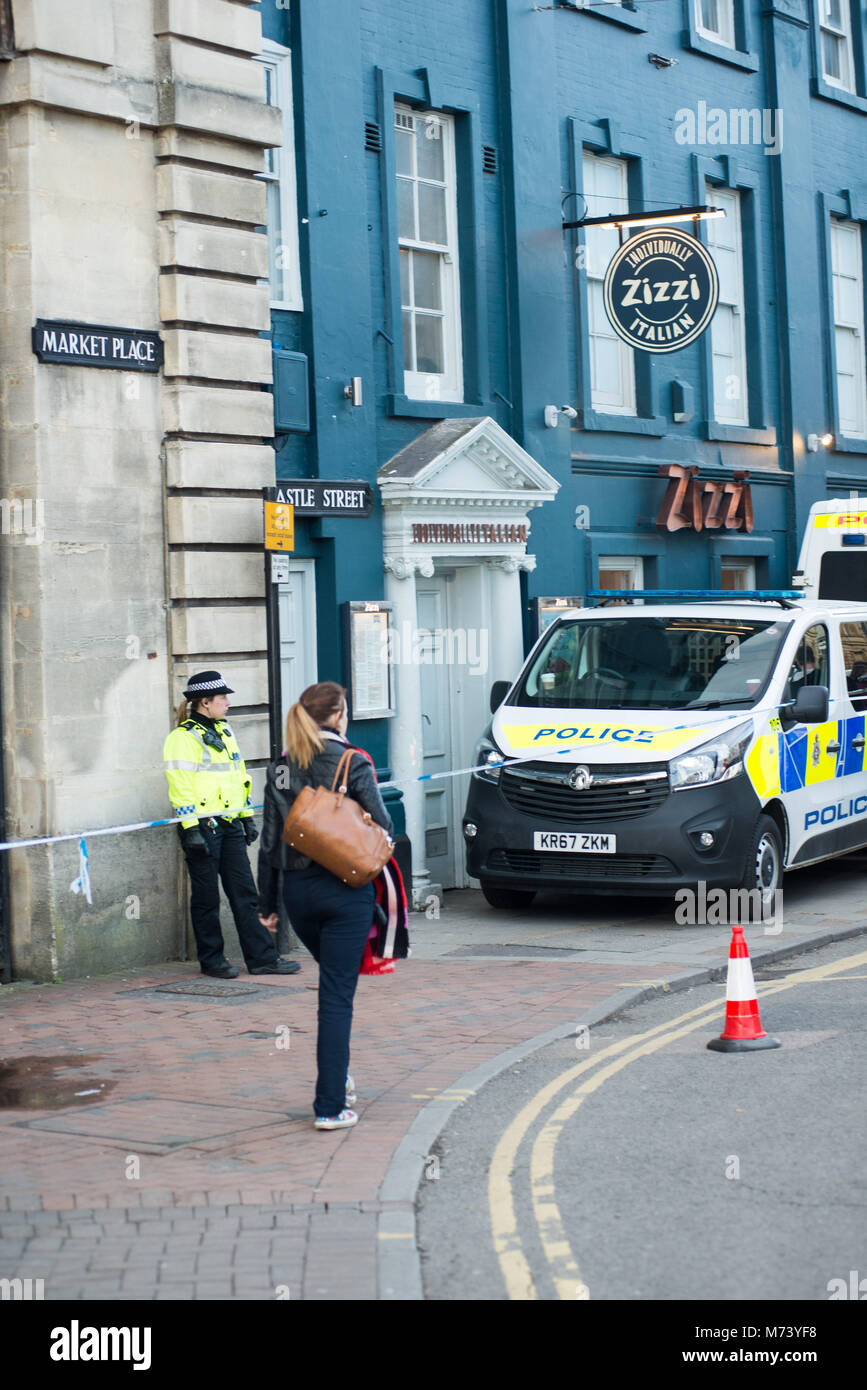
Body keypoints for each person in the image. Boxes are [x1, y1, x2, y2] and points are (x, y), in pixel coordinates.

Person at [257, 681, 393, 1130]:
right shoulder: (353, 761)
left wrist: (268, 904)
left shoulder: (281, 767)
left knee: (334, 987)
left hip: (297, 894)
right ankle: (331, 1105)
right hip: (344, 893)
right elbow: (384, 825)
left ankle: (340, 1080)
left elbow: (270, 841)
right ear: (337, 716)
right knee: (336, 998)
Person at [163, 670, 300, 979]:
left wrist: (245, 816)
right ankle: (212, 960)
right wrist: (190, 829)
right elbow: (180, 786)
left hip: (229, 824)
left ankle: (262, 958)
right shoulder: (182, 738)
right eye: (222, 698)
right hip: (202, 827)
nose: (227, 702)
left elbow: (239, 778)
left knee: (245, 893)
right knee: (207, 898)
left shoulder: (225, 731)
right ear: (204, 702)